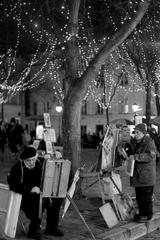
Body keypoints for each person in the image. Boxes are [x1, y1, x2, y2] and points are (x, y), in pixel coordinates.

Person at [7, 146, 64, 239]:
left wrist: (58, 157)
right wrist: (30, 188)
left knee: (56, 199)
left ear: (36, 156)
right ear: (23, 160)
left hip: (40, 192)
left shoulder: (39, 162)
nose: (31, 163)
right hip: (24, 196)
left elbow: (54, 167)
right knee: (38, 201)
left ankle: (52, 227)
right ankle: (33, 230)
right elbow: (12, 185)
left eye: (33, 159)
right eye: (28, 161)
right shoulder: (17, 168)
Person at [126, 123, 156, 223]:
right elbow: (130, 152)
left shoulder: (149, 142)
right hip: (138, 175)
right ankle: (142, 214)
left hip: (146, 176)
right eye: (135, 132)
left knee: (146, 197)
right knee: (139, 196)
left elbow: (151, 156)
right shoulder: (135, 142)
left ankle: (147, 215)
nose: (136, 134)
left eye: (138, 132)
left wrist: (137, 157)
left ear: (143, 133)